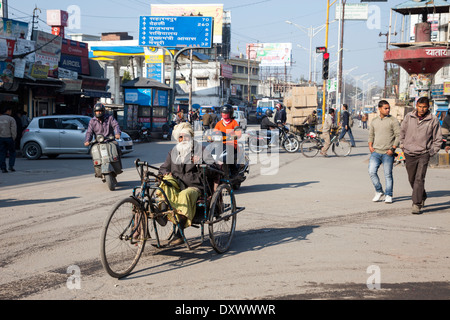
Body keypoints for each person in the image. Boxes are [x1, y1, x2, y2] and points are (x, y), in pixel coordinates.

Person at [157, 122, 214, 246]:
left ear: (191, 137)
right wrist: (167, 173)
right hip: (177, 184)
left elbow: (213, 168)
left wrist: (201, 162)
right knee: (165, 185)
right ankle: (162, 212)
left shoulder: (201, 150)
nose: (183, 140)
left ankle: (179, 234)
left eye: (186, 137)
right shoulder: (173, 151)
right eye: (180, 137)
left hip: (195, 187)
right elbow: (163, 168)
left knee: (184, 195)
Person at [400, 97, 443, 214]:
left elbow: (438, 138)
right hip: (409, 152)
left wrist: (432, 151)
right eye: (420, 106)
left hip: (424, 153)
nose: (422, 109)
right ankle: (422, 194)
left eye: (424, 107)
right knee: (411, 178)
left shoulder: (433, 120)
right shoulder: (409, 117)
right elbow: (402, 132)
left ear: (428, 107)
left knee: (419, 178)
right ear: (416, 105)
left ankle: (416, 204)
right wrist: (402, 145)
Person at [368, 100, 401, 204]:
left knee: (388, 174)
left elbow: (398, 135)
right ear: (379, 109)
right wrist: (370, 145)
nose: (387, 110)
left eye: (388, 108)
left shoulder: (393, 120)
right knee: (371, 172)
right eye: (385, 108)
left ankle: (389, 194)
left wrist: (393, 148)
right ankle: (378, 191)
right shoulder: (374, 121)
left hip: (388, 153)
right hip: (376, 152)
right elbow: (371, 135)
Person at [84, 103, 122, 168]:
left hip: (110, 140)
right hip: (98, 142)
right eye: (97, 111)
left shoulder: (110, 118)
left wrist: (117, 133)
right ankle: (97, 168)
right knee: (92, 151)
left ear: (103, 111)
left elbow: (116, 125)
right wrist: (87, 140)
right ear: (95, 112)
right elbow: (89, 132)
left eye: (100, 111)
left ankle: (118, 166)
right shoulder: (92, 121)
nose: (98, 113)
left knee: (117, 148)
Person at [0, 106, 17, 173]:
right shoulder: (11, 119)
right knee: (12, 152)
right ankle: (11, 166)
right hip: (9, 138)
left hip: (1, 138)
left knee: (2, 153)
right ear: (8, 111)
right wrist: (13, 138)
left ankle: (3, 168)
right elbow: (13, 129)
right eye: (10, 111)